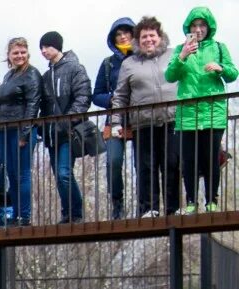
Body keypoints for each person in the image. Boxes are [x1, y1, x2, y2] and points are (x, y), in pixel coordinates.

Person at [166, 6, 237, 213]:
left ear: (208, 27)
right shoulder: (181, 49)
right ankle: (190, 202)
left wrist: (220, 68)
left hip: (213, 111)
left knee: (210, 157)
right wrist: (183, 56)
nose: (198, 29)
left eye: (202, 25)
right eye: (194, 25)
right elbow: (170, 76)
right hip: (187, 112)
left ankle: (211, 200)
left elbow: (233, 73)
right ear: (189, 28)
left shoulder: (220, 47)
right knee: (189, 160)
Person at [112, 17, 180, 217]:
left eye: (152, 35)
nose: (148, 40)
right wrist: (116, 121)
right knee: (146, 167)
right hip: (143, 123)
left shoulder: (174, 55)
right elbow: (121, 95)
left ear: (160, 37)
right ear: (137, 40)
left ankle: (172, 208)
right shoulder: (129, 63)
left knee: (172, 164)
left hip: (172, 119)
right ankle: (148, 208)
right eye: (144, 37)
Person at [39, 32, 93, 224]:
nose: (44, 51)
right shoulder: (46, 76)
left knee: (63, 173)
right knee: (59, 175)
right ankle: (67, 213)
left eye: (47, 46)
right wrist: (41, 127)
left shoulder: (75, 68)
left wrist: (68, 119)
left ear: (57, 46)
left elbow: (83, 96)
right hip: (52, 133)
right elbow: (43, 106)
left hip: (69, 131)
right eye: (42, 48)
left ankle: (76, 213)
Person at [0, 38, 42, 226]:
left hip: (22, 130)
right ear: (9, 55)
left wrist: (25, 133)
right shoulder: (9, 76)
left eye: (23, 52)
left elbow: (33, 105)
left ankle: (24, 215)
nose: (19, 56)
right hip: (5, 129)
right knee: (11, 173)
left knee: (22, 173)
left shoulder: (31, 74)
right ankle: (15, 213)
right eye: (15, 53)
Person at [94, 18, 137, 219]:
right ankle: (117, 203)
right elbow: (96, 94)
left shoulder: (143, 58)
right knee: (113, 160)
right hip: (115, 119)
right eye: (118, 34)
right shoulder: (108, 63)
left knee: (142, 164)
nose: (123, 37)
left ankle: (144, 205)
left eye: (126, 33)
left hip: (140, 118)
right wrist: (112, 100)